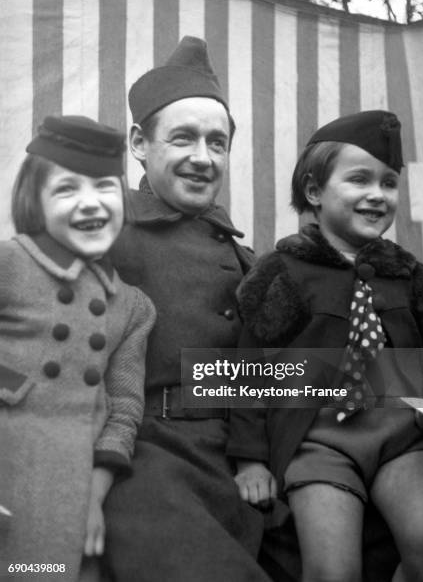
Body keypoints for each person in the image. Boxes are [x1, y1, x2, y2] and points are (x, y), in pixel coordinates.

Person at [227, 111, 423, 582]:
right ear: (315, 191)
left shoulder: (410, 276)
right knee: (332, 569)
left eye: (389, 182)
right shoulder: (282, 273)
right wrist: (250, 460)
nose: (377, 195)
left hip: (401, 442)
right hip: (318, 445)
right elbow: (249, 373)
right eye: (359, 179)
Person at [102, 36, 271, 582]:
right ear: (139, 143)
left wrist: (400, 378)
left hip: (246, 465)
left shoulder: (248, 258)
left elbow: (271, 376)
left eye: (217, 143)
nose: (203, 158)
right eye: (183, 139)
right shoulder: (103, 232)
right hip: (146, 461)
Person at [0, 115, 156, 582]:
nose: (91, 203)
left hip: (70, 488)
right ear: (35, 200)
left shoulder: (132, 306)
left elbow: (125, 408)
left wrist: (92, 497)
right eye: (67, 189)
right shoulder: (9, 262)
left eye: (105, 186)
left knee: (42, 572)